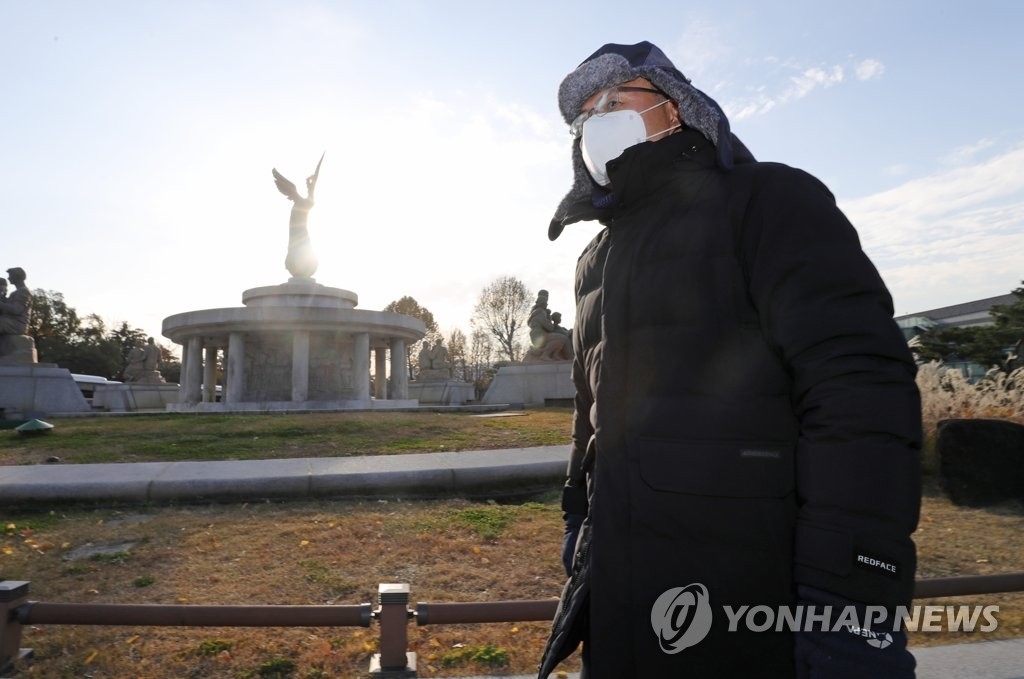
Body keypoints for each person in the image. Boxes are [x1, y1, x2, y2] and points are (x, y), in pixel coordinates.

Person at [539, 42, 921, 679]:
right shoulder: (594, 262)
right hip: (622, 604)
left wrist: (847, 605)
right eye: (582, 117)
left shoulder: (771, 202)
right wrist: (578, 521)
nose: (594, 124)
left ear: (675, 106)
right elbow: (591, 415)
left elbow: (860, 396)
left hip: (752, 605)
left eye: (612, 101)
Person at [0, 267, 32, 336]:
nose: (8, 278)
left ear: (16, 276)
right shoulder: (15, 293)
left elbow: (16, 309)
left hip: (17, 324)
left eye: (10, 276)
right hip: (10, 322)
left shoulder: (24, 291)